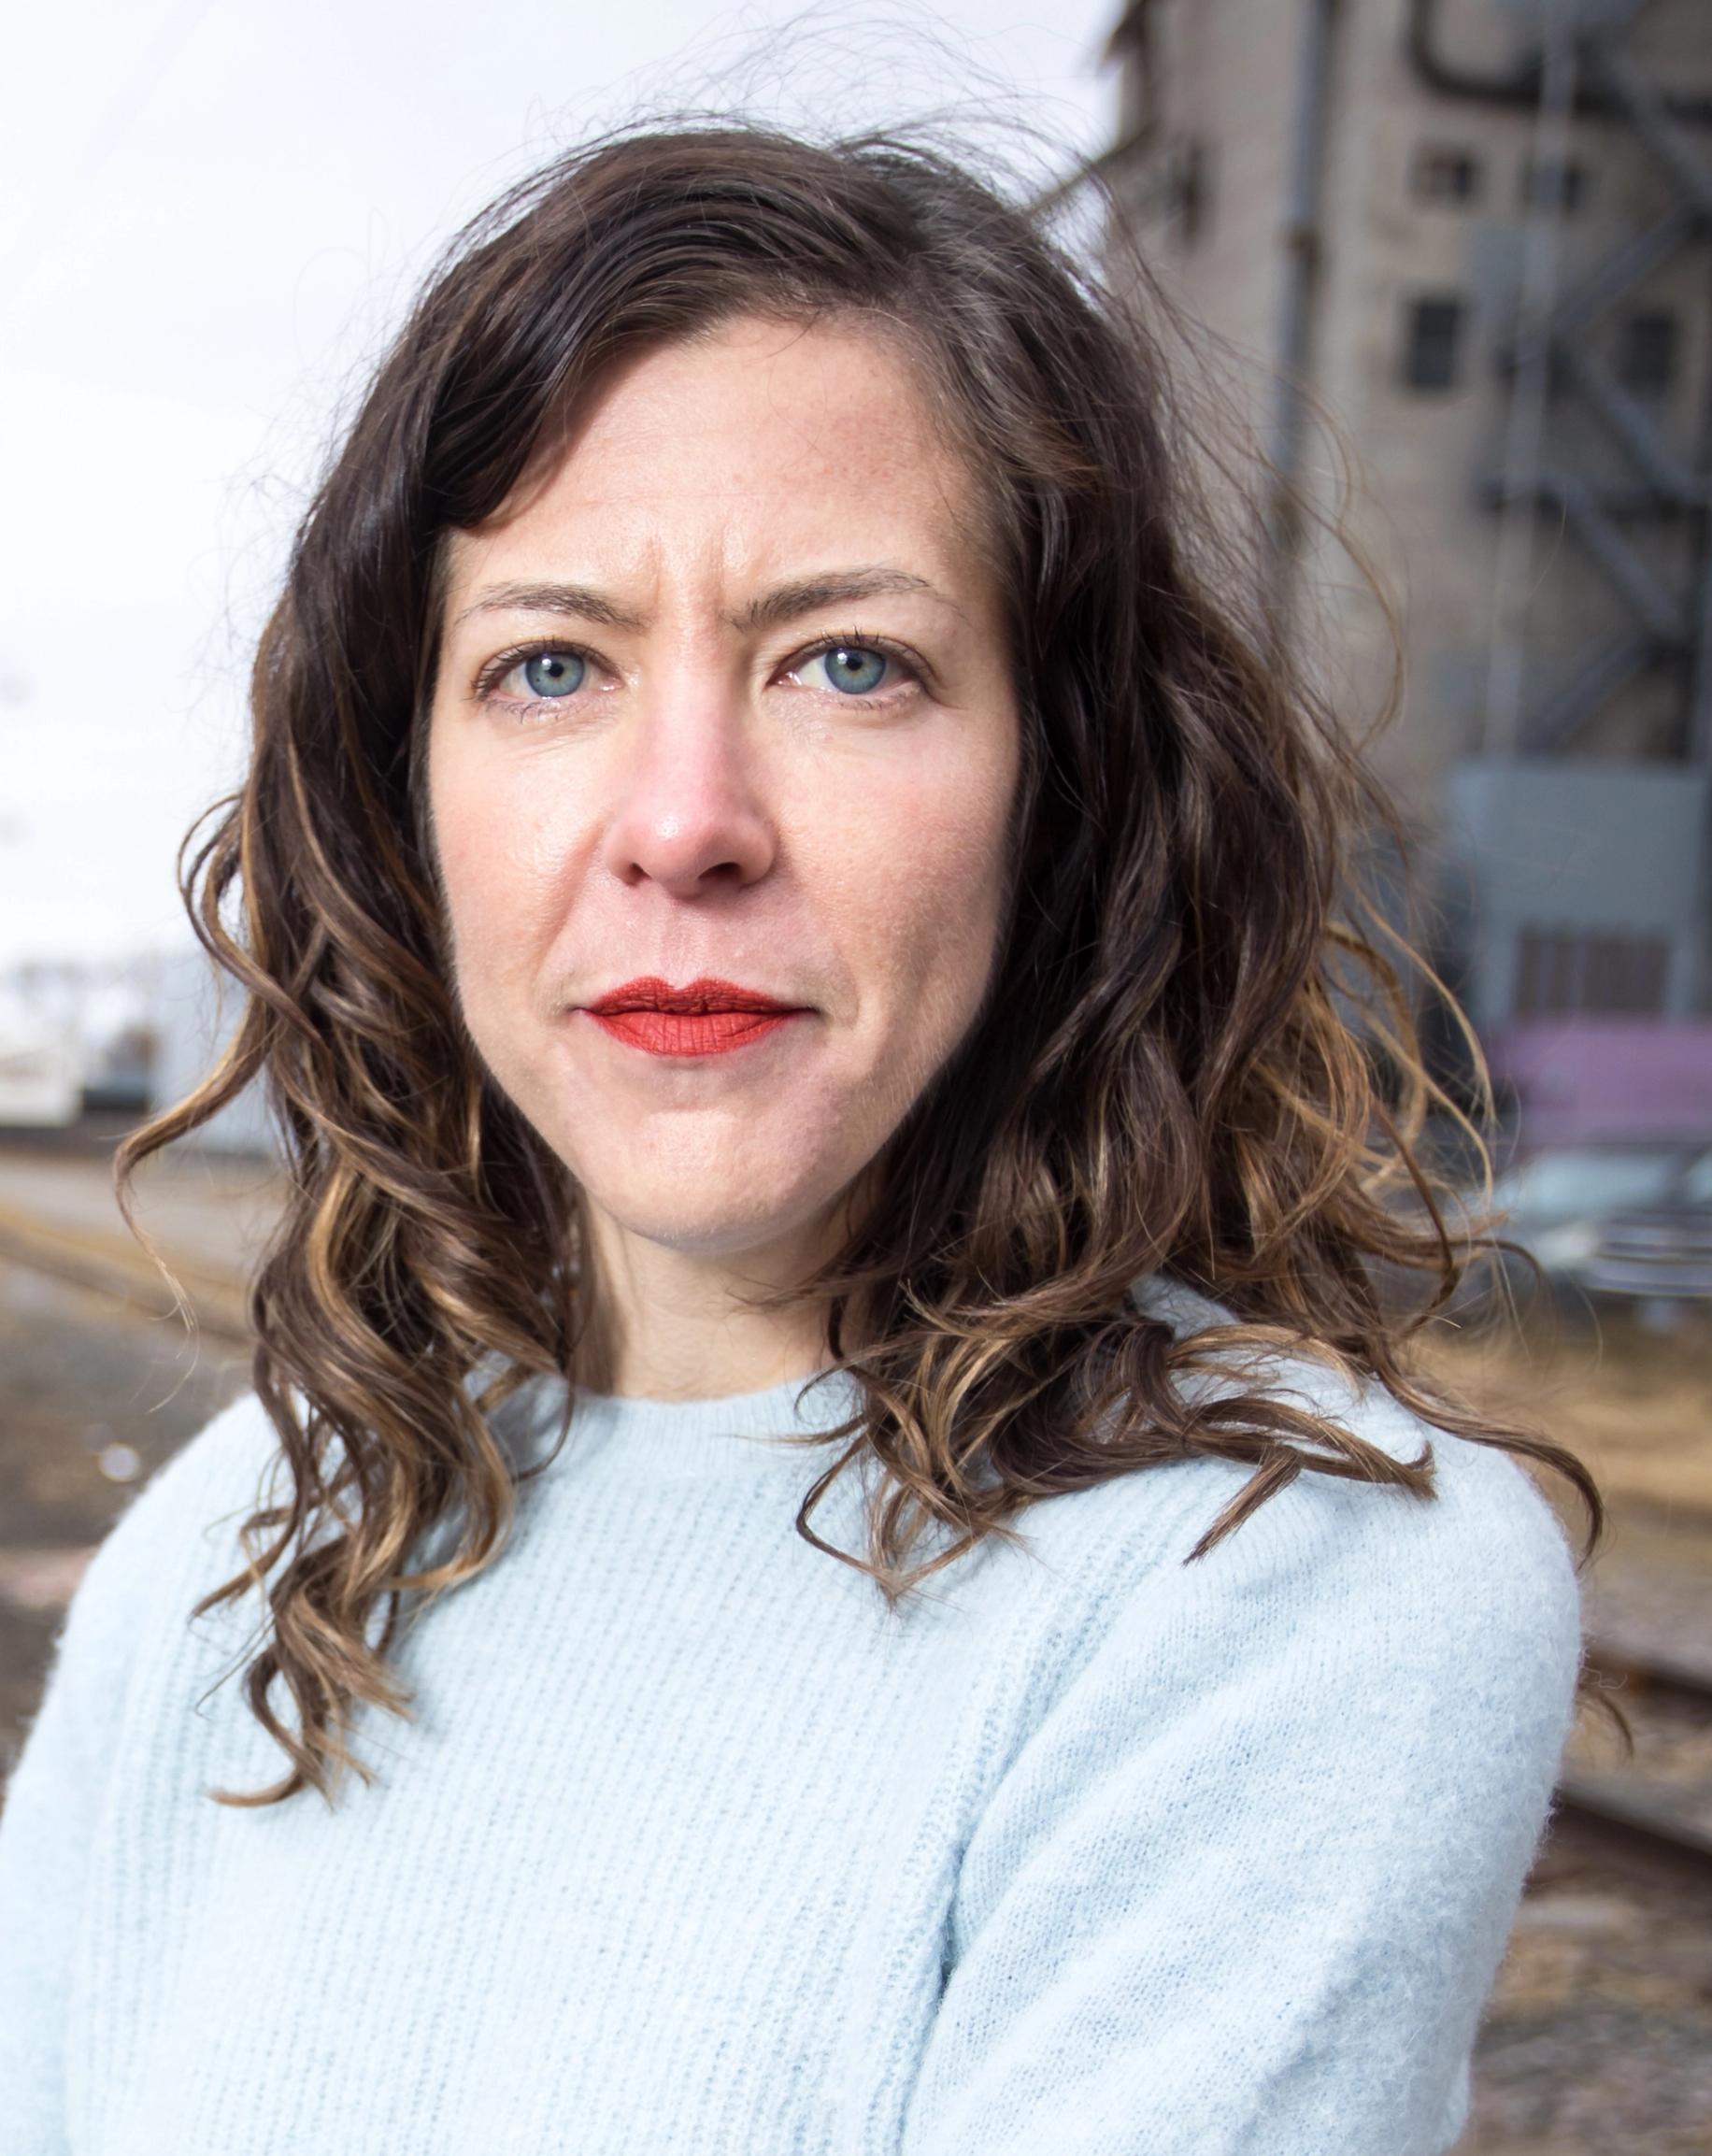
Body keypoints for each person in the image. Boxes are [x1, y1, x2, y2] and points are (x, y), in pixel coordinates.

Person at [0, 121, 1599, 2155]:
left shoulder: (1289, 1584)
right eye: (550, 666)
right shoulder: (238, 1544)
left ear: (1066, 788)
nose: (686, 821)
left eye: (852, 663)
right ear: (403, 806)